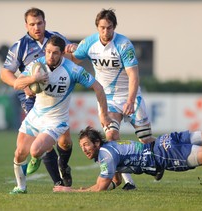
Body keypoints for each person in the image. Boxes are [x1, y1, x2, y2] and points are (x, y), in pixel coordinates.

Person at [53, 95, 202, 192]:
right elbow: (113, 180)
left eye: (86, 145)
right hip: (165, 140)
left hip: (164, 156)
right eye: (82, 146)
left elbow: (100, 187)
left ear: (96, 142)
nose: (84, 149)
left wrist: (69, 191)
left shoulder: (105, 155)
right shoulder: (110, 150)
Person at [70, 8, 160, 190]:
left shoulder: (124, 45)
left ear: (114, 27)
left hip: (129, 95)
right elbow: (72, 60)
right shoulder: (89, 43)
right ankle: (127, 181)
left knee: (145, 139)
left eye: (109, 28)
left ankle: (160, 158)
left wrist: (130, 100)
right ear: (97, 27)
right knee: (111, 136)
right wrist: (69, 50)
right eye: (102, 28)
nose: (105, 32)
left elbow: (133, 76)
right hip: (107, 98)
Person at [9, 35, 112, 194]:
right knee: (19, 153)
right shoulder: (37, 66)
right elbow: (17, 84)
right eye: (48, 52)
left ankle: (37, 158)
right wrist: (33, 78)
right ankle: (21, 187)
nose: (50, 56)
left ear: (62, 53)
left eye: (55, 53)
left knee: (35, 150)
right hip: (35, 116)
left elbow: (98, 88)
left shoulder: (73, 69)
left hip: (56, 120)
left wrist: (104, 114)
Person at [0, 7, 77, 188]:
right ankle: (58, 182)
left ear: (45, 23)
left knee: (64, 140)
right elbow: (5, 74)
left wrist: (74, 50)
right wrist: (23, 84)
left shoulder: (56, 39)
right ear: (26, 25)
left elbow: (74, 60)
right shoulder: (20, 46)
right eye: (32, 24)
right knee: (43, 140)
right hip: (31, 97)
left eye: (40, 23)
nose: (37, 27)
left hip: (55, 94)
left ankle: (63, 164)